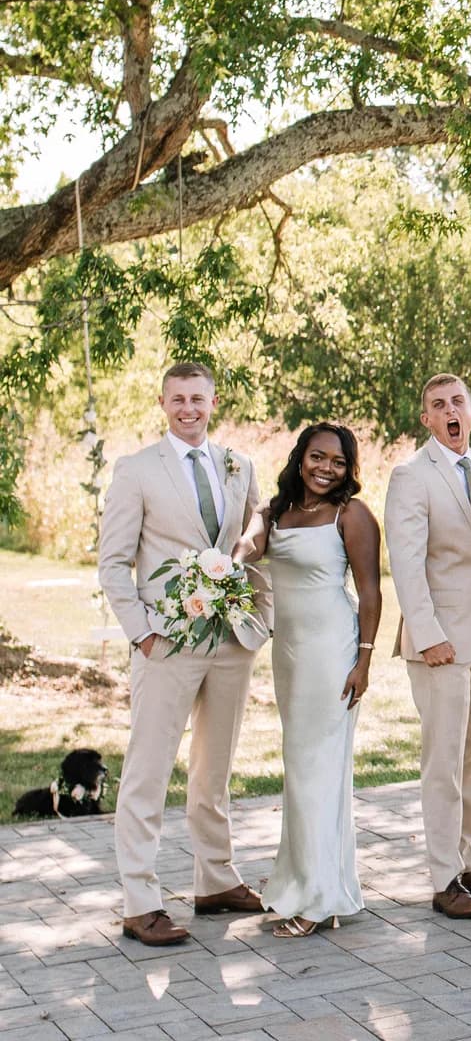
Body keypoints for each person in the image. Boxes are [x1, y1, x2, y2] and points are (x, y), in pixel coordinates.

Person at [98, 362, 274, 946]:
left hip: (229, 641)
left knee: (214, 768)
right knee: (149, 770)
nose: (188, 408)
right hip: (166, 643)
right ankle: (140, 900)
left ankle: (216, 880)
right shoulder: (136, 470)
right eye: (178, 399)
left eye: (198, 398)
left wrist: (261, 618)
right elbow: (113, 563)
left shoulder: (238, 464)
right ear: (162, 402)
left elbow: (253, 546)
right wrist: (143, 633)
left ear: (213, 401)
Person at [385, 374, 471, 919]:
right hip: (440, 642)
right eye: (438, 405)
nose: (450, 411)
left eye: (457, 402)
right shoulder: (411, 476)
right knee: (442, 761)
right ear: (426, 419)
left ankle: (470, 860)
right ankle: (444, 878)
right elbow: (406, 561)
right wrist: (428, 633)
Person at [236, 423, 381, 937]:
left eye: (338, 462)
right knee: (300, 766)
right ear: (300, 459)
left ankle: (317, 899)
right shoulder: (276, 512)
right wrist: (229, 558)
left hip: (332, 651)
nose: (326, 468)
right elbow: (249, 547)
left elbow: (369, 593)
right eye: (317, 457)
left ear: (348, 469)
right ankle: (306, 882)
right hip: (290, 652)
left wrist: (363, 661)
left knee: (316, 769)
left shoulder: (353, 515)